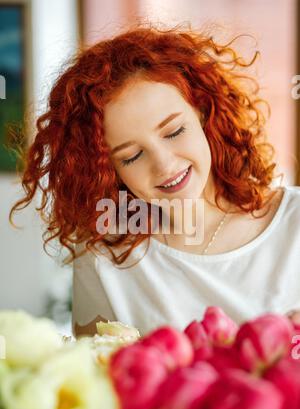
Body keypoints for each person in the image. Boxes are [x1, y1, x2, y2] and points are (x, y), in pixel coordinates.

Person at [9, 23, 300, 338]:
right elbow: (94, 375)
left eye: (174, 132)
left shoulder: (293, 225)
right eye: (132, 156)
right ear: (108, 169)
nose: (164, 165)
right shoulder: (103, 253)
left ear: (203, 113)